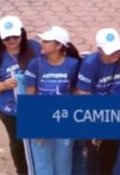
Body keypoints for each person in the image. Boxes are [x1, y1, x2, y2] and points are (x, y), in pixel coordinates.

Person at [0, 16, 40, 175]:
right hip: (11, 111)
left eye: (15, 36)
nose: (12, 40)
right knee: (18, 143)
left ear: (22, 33)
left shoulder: (35, 47)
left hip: (36, 106)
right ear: (0, 38)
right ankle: (22, 171)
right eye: (7, 38)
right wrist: (2, 85)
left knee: (39, 141)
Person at [25, 26, 81, 175]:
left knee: (64, 162)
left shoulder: (73, 64)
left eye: (46, 41)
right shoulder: (35, 64)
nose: (41, 43)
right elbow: (30, 95)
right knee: (43, 164)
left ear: (58, 46)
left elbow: (77, 91)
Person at [77, 28, 120, 174]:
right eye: (111, 51)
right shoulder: (90, 64)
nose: (116, 54)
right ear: (100, 50)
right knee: (94, 161)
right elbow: (84, 95)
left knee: (110, 156)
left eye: (117, 49)